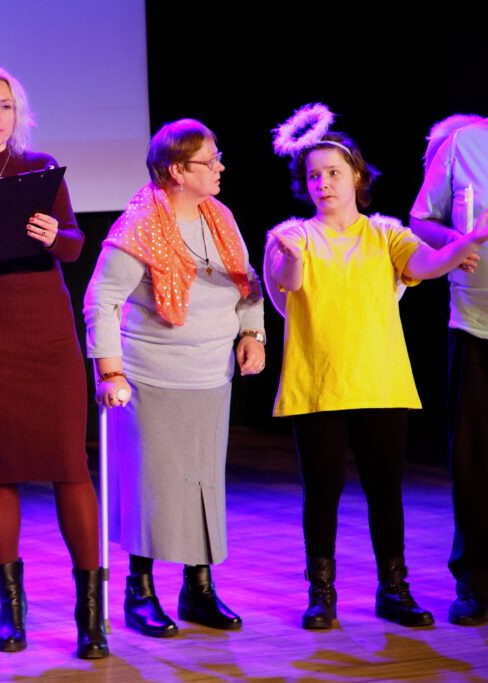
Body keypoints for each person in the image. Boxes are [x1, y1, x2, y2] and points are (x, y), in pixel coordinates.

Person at [266, 104, 488, 630]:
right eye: (313, 175)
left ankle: (394, 588)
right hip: (318, 385)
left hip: (380, 383)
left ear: (357, 177)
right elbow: (289, 285)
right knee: (322, 494)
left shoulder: (385, 233)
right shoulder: (292, 236)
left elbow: (424, 264)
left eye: (333, 172)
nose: (323, 183)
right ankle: (322, 593)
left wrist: (465, 243)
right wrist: (289, 257)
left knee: (386, 492)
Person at [0, 65, 108, 659]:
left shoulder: (40, 168)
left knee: (70, 465)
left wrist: (54, 234)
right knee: (0, 469)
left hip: (47, 330)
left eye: (4, 105)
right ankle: (12, 609)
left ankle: (90, 615)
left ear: (17, 112)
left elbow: (75, 246)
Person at [84, 119, 265, 638]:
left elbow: (247, 282)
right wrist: (109, 371)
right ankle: (139, 591)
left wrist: (252, 332)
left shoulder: (220, 216)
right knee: (152, 487)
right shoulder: (140, 226)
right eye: (210, 160)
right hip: (151, 378)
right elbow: (101, 300)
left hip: (212, 374)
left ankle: (198, 588)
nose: (221, 167)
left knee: (203, 484)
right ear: (177, 170)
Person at [410, 114, 488, 626]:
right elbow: (421, 220)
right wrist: (461, 242)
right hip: (476, 325)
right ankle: (476, 581)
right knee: (475, 459)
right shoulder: (463, 144)